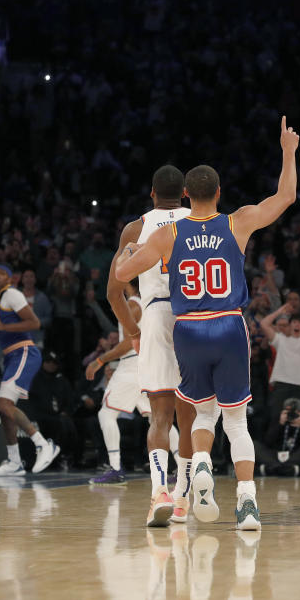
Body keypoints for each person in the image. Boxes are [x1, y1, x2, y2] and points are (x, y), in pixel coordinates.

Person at [115, 115, 300, 530]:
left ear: (185, 195)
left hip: (188, 329)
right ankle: (248, 504)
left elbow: (124, 276)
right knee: (235, 420)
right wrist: (288, 151)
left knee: (201, 415)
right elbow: (285, 196)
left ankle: (199, 465)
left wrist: (128, 251)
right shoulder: (237, 221)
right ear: (218, 193)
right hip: (229, 327)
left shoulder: (168, 236)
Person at [106, 165, 195, 527]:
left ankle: (159, 490)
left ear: (152, 194)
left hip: (156, 315)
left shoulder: (137, 228)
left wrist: (132, 329)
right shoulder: (200, 217)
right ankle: (182, 497)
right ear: (186, 193)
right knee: (189, 416)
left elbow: (114, 291)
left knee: (159, 414)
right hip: (195, 315)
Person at [0, 264, 60, 476]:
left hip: (24, 352)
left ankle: (43, 445)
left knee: (3, 404)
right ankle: (15, 462)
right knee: (4, 410)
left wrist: (4, 328)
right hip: (9, 356)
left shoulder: (13, 294)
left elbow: (35, 323)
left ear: (10, 278)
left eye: (1, 273)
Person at [86, 285, 160, 486]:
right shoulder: (147, 302)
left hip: (132, 365)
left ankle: (116, 468)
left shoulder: (133, 305)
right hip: (146, 364)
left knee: (106, 414)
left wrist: (100, 360)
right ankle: (181, 467)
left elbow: (129, 342)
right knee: (157, 418)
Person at [258, 303, 300, 432]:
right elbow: (264, 324)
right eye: (294, 322)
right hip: (281, 385)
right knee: (275, 420)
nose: (297, 325)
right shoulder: (280, 339)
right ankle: (272, 450)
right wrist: (280, 310)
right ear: (290, 324)